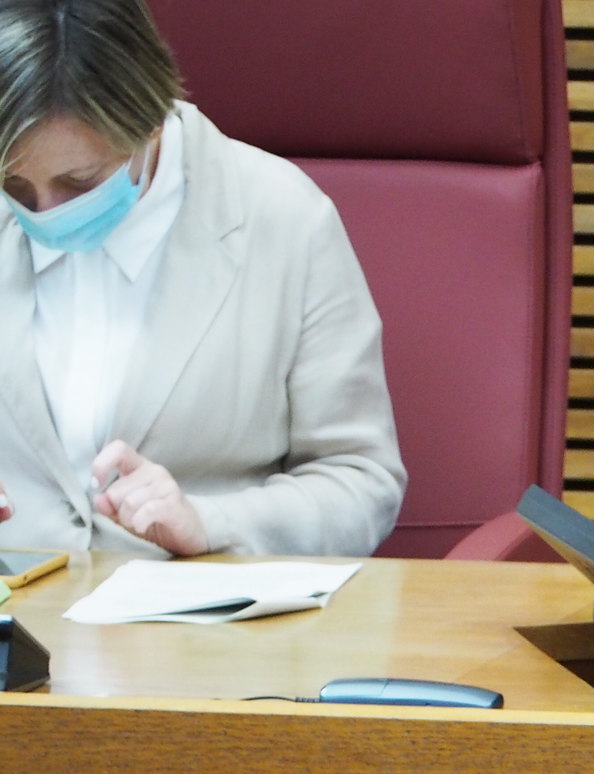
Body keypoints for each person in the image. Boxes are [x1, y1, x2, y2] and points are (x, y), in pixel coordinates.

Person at [0, 0, 403, 557]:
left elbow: (362, 482)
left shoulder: (285, 220)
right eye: (17, 187)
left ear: (149, 118)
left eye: (80, 181)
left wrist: (209, 523)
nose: (43, 213)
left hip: (201, 626)